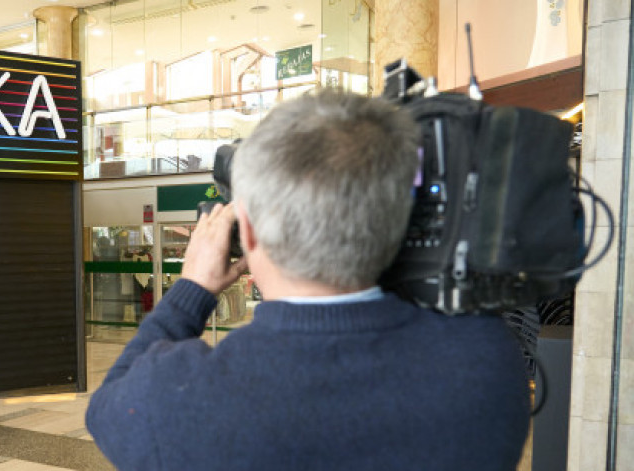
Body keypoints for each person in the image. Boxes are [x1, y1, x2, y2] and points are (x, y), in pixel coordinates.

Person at [85, 90, 531, 470]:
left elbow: (107, 406)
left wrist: (191, 291)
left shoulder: (176, 398)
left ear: (251, 231)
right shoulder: (485, 361)